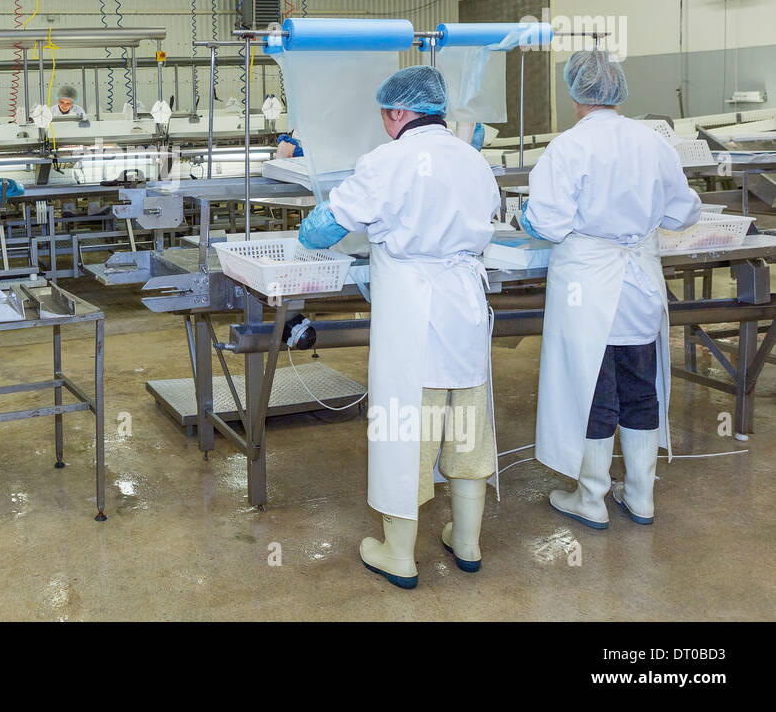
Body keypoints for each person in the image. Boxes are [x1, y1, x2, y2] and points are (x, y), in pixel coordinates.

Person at [298, 66, 500, 589]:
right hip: (467, 313)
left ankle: (399, 553)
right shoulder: (473, 159)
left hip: (414, 318)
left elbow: (323, 230)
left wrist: (312, 221)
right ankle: (469, 540)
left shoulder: (387, 161)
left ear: (396, 113)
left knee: (405, 431)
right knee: (466, 427)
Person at [522, 50, 701, 528]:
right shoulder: (653, 142)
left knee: (592, 386)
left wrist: (524, 217)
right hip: (639, 282)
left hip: (587, 284)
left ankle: (591, 496)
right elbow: (683, 212)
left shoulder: (568, 147)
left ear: (575, 93)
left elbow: (548, 222)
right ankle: (641, 495)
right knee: (640, 384)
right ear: (619, 91)